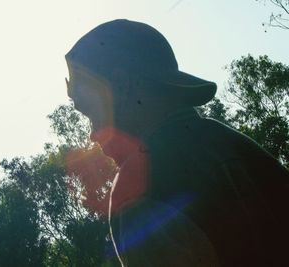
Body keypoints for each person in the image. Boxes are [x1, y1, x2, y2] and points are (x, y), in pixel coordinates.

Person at [65, 19, 289, 266]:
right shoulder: (240, 150)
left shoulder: (139, 187)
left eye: (89, 111)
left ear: (122, 85)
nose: (92, 134)